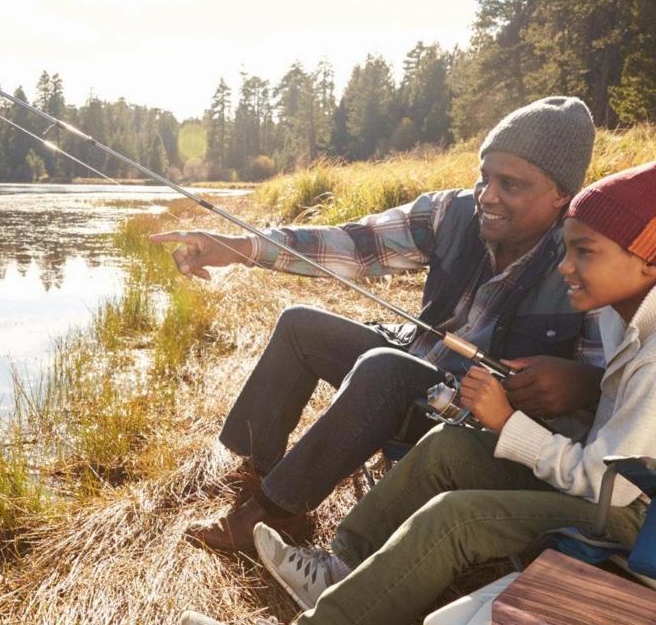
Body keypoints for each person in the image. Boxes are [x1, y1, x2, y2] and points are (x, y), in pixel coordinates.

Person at [179, 155, 656, 625]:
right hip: (637, 482)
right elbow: (615, 448)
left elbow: (608, 486)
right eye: (567, 248)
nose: (565, 265)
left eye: (583, 252)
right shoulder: (639, 312)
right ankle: (340, 568)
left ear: (648, 260)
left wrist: (509, 423)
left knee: (457, 519)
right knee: (448, 447)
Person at [150, 97, 602, 553]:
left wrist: (586, 383)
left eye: (510, 184)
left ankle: (276, 513)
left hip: (470, 424)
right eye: (484, 176)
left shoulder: (587, 258)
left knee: (385, 369)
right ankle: (257, 472)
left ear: (561, 194)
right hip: (415, 367)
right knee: (299, 325)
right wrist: (239, 248)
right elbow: (352, 244)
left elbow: (620, 390)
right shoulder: (451, 212)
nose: (487, 196)